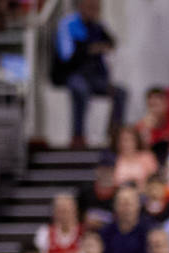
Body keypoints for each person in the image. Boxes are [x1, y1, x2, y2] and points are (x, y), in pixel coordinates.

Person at [53, 0, 127, 147]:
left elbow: (112, 42)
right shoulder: (68, 25)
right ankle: (78, 135)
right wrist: (89, 49)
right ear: (81, 7)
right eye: (91, 7)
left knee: (120, 93)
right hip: (72, 74)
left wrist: (101, 46)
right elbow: (66, 57)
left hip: (95, 77)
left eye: (97, 8)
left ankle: (114, 134)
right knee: (81, 90)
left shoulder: (97, 26)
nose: (94, 11)